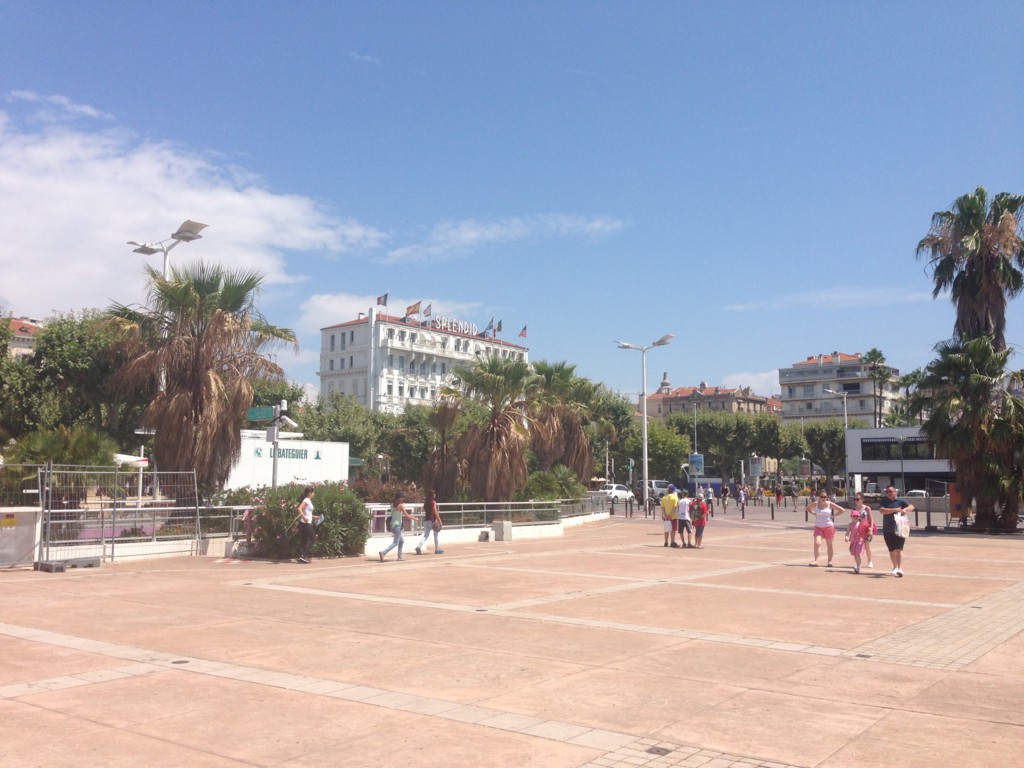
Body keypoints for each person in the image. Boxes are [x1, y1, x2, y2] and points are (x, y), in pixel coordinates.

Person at [879, 485, 914, 577]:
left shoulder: (901, 501)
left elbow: (911, 506)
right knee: (891, 549)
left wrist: (905, 509)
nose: (888, 493)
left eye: (890, 491)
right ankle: (894, 567)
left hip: (900, 528)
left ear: (895, 492)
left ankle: (899, 568)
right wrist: (895, 510)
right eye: (887, 492)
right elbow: (882, 510)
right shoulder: (884, 501)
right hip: (888, 529)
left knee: (899, 548)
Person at [805, 490, 845, 567]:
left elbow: (842, 510)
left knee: (829, 544)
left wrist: (833, 516)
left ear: (827, 497)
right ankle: (816, 561)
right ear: (819, 497)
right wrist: (813, 513)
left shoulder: (830, 504)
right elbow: (807, 508)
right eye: (821, 497)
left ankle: (830, 561)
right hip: (818, 526)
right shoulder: (816, 504)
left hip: (829, 526)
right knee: (817, 543)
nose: (823, 498)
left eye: (825, 497)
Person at [379, 493, 413, 561]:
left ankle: (399, 557)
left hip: (392, 525)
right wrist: (415, 518)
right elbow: (407, 515)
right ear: (400, 498)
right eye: (402, 498)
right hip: (397, 526)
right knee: (395, 542)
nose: (403, 499)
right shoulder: (401, 506)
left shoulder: (392, 505)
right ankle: (384, 552)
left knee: (401, 541)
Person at [844, 493, 874, 573]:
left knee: (867, 545)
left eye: (858, 499)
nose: (856, 501)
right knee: (855, 546)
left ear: (862, 499)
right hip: (856, 530)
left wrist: (870, 528)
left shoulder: (867, 508)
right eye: (855, 499)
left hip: (865, 528)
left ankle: (869, 560)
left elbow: (871, 518)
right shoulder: (854, 508)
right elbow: (852, 519)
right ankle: (858, 564)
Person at [296, 485, 320, 564]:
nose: (314, 494)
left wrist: (313, 516)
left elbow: (307, 513)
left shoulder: (307, 500)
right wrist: (305, 518)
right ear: (309, 493)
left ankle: (302, 556)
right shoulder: (307, 500)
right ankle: (304, 556)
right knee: (313, 538)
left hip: (303, 523)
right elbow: (299, 509)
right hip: (305, 523)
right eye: (313, 492)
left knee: (304, 540)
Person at [415, 489, 444, 555]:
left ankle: (419, 546)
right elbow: (435, 512)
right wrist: (439, 520)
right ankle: (437, 549)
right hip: (432, 520)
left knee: (425, 535)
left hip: (426, 520)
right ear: (433, 495)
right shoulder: (433, 502)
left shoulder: (426, 502)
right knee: (436, 535)